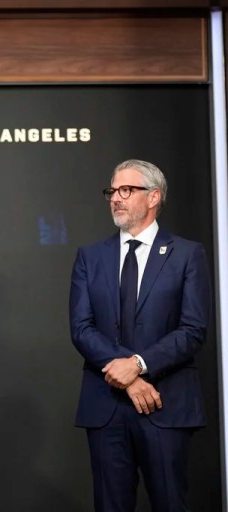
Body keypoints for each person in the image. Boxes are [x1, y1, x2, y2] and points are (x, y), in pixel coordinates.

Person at [69, 159, 211, 511]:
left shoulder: (187, 254)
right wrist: (129, 378)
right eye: (112, 191)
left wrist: (139, 364)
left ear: (153, 197)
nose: (115, 198)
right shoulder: (90, 256)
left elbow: (193, 329)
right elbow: (81, 327)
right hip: (106, 408)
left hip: (165, 403)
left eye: (126, 190)